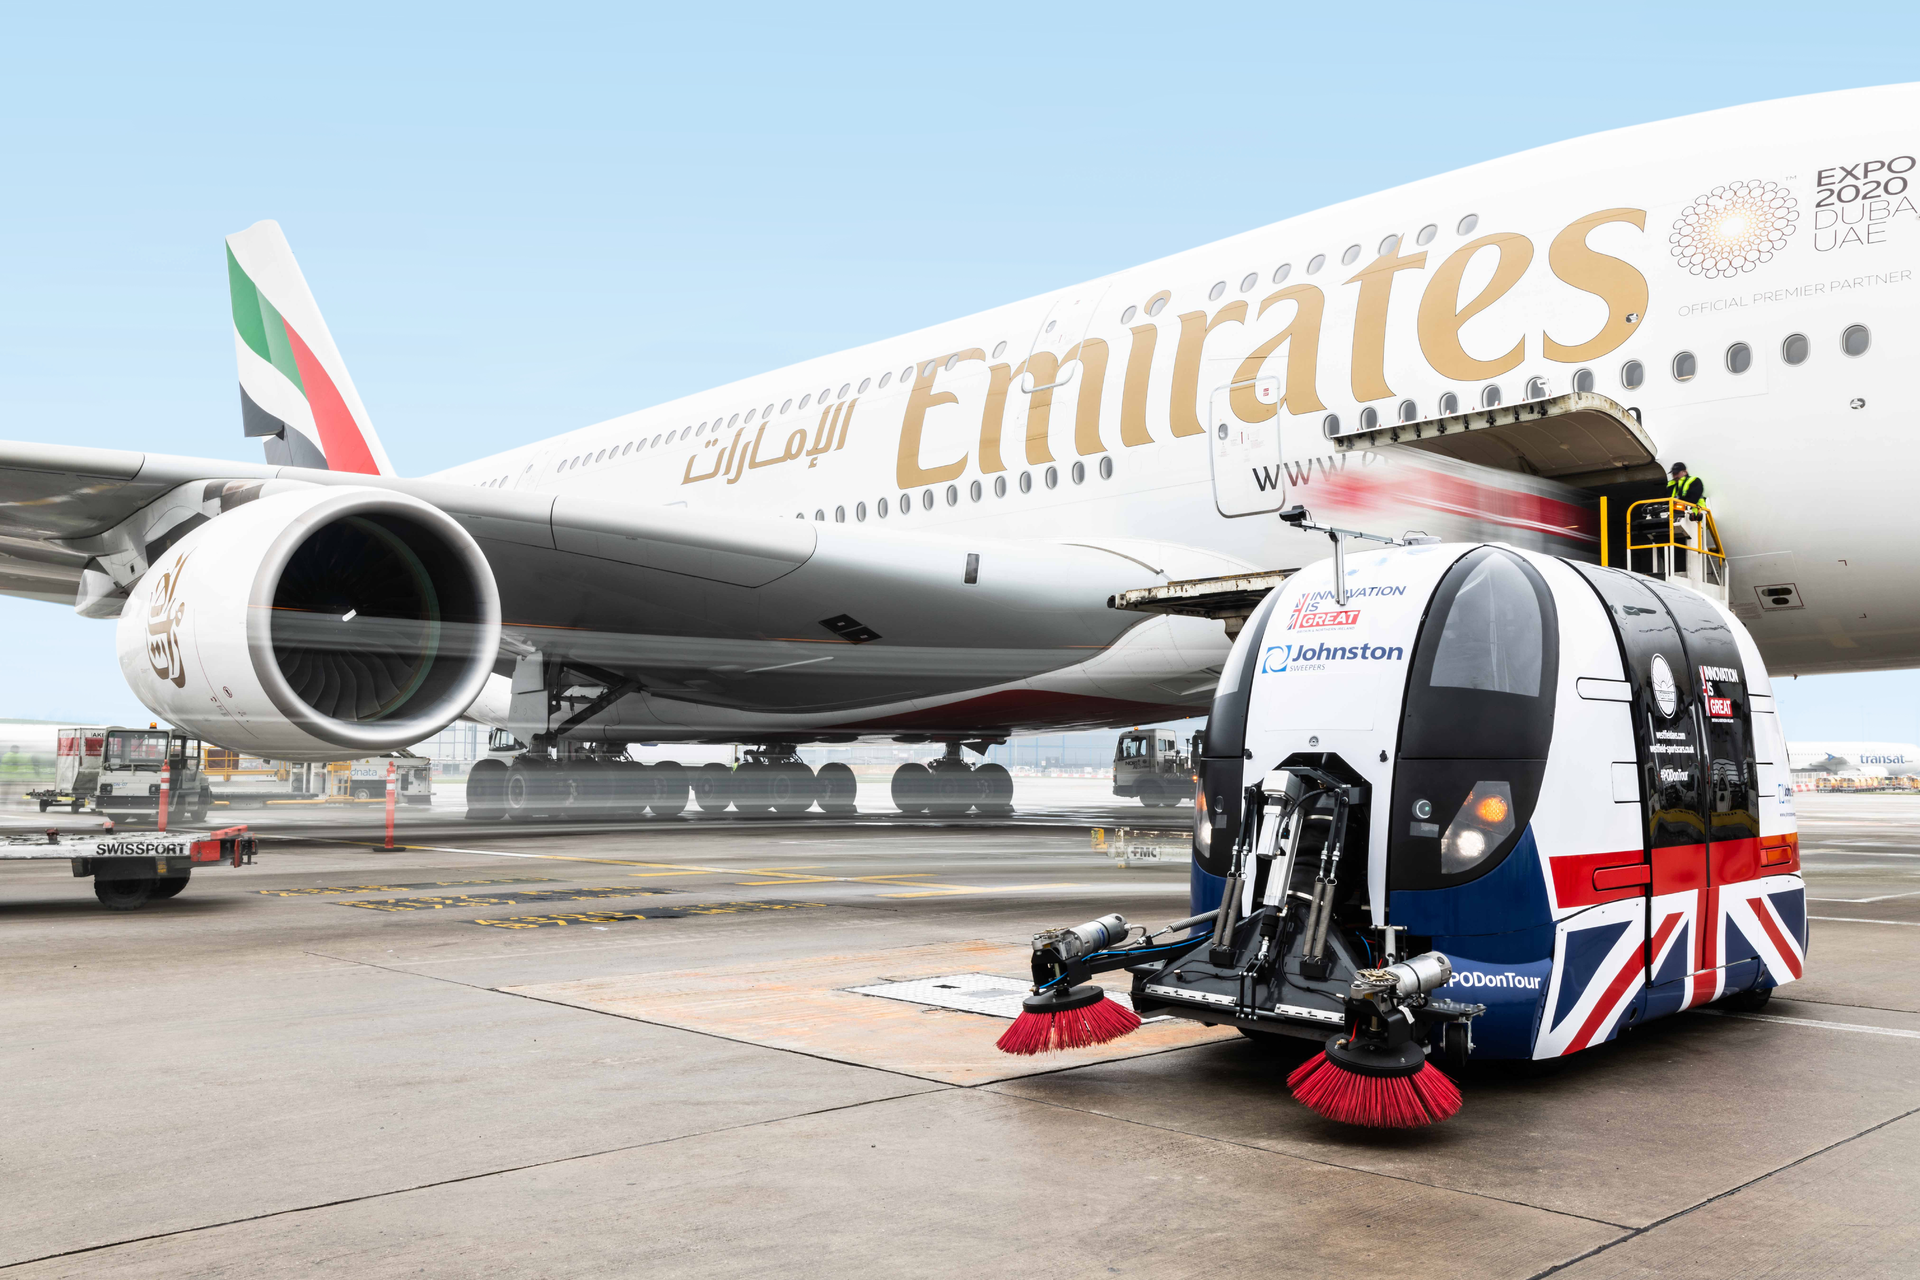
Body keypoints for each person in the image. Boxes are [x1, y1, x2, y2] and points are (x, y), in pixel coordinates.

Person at [1666, 462, 1706, 571]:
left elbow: (1693, 498)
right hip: (1676, 518)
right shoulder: (1671, 484)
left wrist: (1679, 503)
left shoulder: (1694, 481)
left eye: (1676, 473)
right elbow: (1666, 500)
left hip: (1694, 518)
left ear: (1685, 472)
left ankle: (1687, 570)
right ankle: (1675, 569)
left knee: (1692, 549)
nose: (1675, 476)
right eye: (1673, 474)